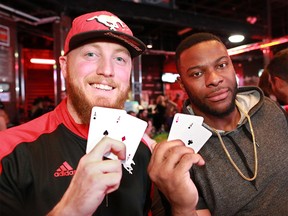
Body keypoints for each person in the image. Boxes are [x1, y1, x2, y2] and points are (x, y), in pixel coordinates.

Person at [0, 11, 152, 216]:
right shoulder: (9, 150)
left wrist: (182, 206)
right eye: (91, 54)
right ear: (64, 66)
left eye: (119, 58)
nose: (107, 70)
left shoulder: (143, 149)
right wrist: (70, 210)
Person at [148, 32, 288, 216]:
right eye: (197, 73)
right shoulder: (179, 155)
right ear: (182, 85)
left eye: (222, 65)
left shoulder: (270, 109)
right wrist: (183, 208)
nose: (214, 79)